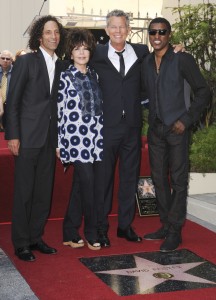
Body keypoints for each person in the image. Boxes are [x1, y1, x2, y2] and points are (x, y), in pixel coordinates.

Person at [141, 17, 210, 252]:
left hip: (178, 129)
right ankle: (165, 224)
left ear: (170, 35)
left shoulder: (183, 59)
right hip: (156, 129)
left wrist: (186, 120)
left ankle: (175, 231)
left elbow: (204, 92)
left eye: (162, 32)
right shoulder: (146, 62)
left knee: (179, 181)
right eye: (153, 32)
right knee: (159, 179)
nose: (157, 36)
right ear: (148, 35)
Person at [5, 15, 66, 262]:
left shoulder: (62, 65)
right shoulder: (26, 62)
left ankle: (35, 237)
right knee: (24, 193)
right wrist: (13, 135)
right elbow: (13, 102)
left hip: (50, 140)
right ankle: (21, 243)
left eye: (57, 32)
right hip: (28, 137)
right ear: (40, 36)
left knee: (43, 192)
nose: (54, 36)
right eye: (49, 32)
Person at [57, 28, 103, 251]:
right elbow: (59, 112)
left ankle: (69, 230)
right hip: (74, 139)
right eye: (77, 48)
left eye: (85, 48)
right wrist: (59, 143)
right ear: (71, 52)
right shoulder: (65, 76)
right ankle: (91, 232)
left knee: (79, 186)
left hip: (93, 139)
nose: (82, 52)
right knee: (89, 184)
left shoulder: (94, 75)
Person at [0, 50, 13, 130]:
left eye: (8, 59)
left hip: (11, 106)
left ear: (11, 61)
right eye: (3, 58)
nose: (5, 60)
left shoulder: (17, 72)